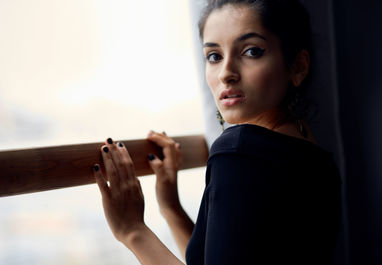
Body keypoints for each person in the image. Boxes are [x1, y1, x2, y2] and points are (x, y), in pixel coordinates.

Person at [92, 0, 342, 264]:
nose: (226, 74)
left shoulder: (240, 151)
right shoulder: (315, 157)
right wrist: (171, 208)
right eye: (214, 56)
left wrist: (133, 231)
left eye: (251, 51)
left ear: (298, 67)